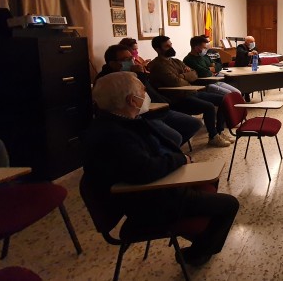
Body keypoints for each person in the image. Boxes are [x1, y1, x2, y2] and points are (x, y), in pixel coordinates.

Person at [84, 72, 240, 266]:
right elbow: (145, 170)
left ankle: (199, 235)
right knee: (229, 204)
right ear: (132, 100)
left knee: (209, 178)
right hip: (153, 200)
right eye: (143, 90)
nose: (147, 94)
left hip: (158, 186)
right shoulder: (115, 135)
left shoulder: (120, 121)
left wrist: (178, 160)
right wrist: (180, 159)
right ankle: (198, 253)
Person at [95, 44, 201, 148]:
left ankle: (166, 150)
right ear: (113, 64)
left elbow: (149, 92)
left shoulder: (133, 73)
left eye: (131, 58)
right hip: (143, 116)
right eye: (125, 59)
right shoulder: (107, 81)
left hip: (160, 109)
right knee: (175, 137)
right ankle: (164, 152)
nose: (131, 61)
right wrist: (140, 75)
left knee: (194, 124)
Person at [149, 36, 232, 147]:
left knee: (223, 99)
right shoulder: (158, 65)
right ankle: (213, 137)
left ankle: (219, 132)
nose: (171, 47)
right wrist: (185, 76)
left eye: (171, 44)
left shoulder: (175, 61)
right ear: (158, 49)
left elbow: (194, 74)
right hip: (176, 98)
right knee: (209, 106)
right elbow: (176, 83)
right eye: (167, 46)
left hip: (190, 92)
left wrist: (182, 76)